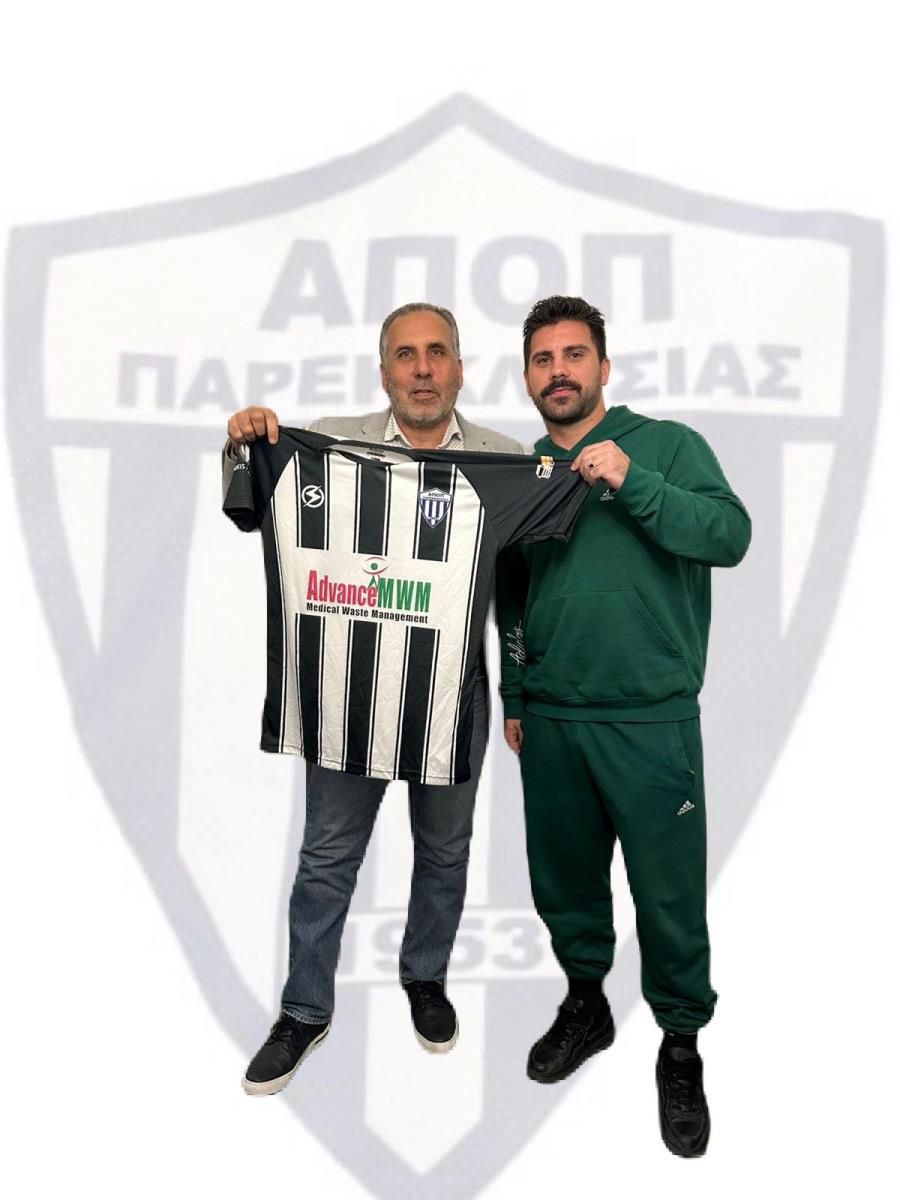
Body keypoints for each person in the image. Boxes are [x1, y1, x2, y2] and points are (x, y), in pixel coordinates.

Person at [224, 303, 524, 1096]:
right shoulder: (328, 443)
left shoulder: (504, 461)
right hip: (347, 701)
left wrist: (521, 692)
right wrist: (245, 442)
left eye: (437, 353)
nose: (422, 369)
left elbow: (522, 596)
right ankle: (304, 1010)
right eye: (406, 355)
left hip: (454, 702)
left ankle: (425, 976)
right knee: (327, 858)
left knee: (446, 854)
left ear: (460, 368)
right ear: (383, 371)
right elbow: (253, 505)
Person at [495, 295, 751, 1157]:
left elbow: (730, 535)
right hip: (554, 720)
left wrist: (630, 480)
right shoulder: (525, 473)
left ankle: (680, 1045)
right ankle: (586, 1004)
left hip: (650, 719)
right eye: (542, 359)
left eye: (574, 355)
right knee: (565, 883)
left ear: (604, 367)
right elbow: (512, 596)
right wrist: (517, 695)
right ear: (527, 377)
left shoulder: (668, 446)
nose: (558, 371)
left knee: (668, 896)